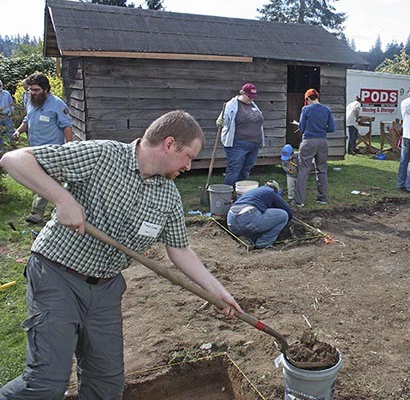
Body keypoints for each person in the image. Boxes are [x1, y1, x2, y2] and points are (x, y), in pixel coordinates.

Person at [0, 110, 242, 399]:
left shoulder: (168, 196)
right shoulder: (102, 155)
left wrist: (218, 292)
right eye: (187, 156)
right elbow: (14, 160)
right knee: (46, 383)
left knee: (107, 384)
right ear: (168, 144)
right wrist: (62, 199)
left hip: (105, 290)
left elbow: (180, 250)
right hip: (57, 276)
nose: (189, 166)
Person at [12, 73, 74, 224]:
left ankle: (37, 213)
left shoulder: (58, 105)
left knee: (45, 180)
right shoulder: (32, 102)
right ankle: (67, 208)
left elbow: (67, 126)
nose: (32, 93)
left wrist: (69, 147)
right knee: (52, 182)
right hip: (33, 150)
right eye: (31, 90)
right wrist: (18, 131)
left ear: (46, 89)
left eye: (36, 90)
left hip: (51, 151)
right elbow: (27, 120)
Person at [217, 83, 265, 187]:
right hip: (237, 144)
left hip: (254, 144)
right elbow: (222, 121)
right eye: (249, 97)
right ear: (243, 93)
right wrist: (221, 121)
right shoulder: (231, 104)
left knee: (246, 169)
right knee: (234, 169)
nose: (251, 99)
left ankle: (242, 192)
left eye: (253, 97)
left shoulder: (253, 105)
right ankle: (229, 194)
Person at [294, 89, 335, 206]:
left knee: (303, 170)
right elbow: (332, 128)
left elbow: (301, 127)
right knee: (322, 170)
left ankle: (299, 201)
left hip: (309, 141)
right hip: (323, 141)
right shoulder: (326, 109)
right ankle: (322, 198)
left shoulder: (306, 109)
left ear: (307, 99)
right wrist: (321, 129)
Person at [227, 180, 293, 249]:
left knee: (257, 218)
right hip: (247, 217)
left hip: (231, 221)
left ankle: (249, 240)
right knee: (284, 215)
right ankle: (263, 242)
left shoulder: (254, 192)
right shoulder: (272, 192)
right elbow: (288, 211)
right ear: (276, 189)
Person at [0, 79, 15, 148]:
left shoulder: (7, 93)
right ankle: (2, 148)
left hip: (7, 116)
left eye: (0, 85)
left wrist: (11, 113)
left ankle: (13, 146)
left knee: (11, 131)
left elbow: (11, 104)